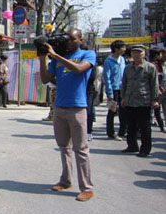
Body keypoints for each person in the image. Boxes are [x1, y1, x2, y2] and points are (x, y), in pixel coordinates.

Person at [39, 28, 96, 202]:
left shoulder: (88, 54)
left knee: (81, 149)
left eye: (72, 39)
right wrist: (42, 58)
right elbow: (45, 79)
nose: (69, 42)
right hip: (60, 107)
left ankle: (87, 187)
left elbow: (79, 69)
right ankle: (66, 180)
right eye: (67, 39)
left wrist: (55, 56)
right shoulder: (57, 58)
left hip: (77, 108)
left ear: (80, 40)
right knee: (64, 147)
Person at [120, 45, 159, 157]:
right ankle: (132, 146)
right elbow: (125, 83)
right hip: (130, 100)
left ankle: (145, 149)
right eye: (134, 53)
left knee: (144, 127)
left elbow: (154, 84)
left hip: (144, 101)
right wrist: (123, 98)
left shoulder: (150, 67)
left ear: (144, 54)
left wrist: (154, 99)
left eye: (139, 53)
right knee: (130, 125)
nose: (136, 55)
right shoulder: (128, 68)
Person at [103, 40, 127, 140]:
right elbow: (106, 77)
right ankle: (111, 132)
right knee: (112, 110)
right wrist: (109, 93)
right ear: (116, 49)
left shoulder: (122, 59)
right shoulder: (108, 61)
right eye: (123, 47)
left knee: (123, 111)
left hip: (123, 89)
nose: (124, 49)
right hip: (113, 89)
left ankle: (122, 131)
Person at [149, 48, 165, 132]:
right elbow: (154, 79)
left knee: (158, 110)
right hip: (155, 91)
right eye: (160, 54)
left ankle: (162, 126)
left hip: (161, 89)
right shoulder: (152, 65)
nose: (161, 56)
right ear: (156, 55)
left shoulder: (159, 64)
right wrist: (158, 88)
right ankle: (161, 126)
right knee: (156, 109)